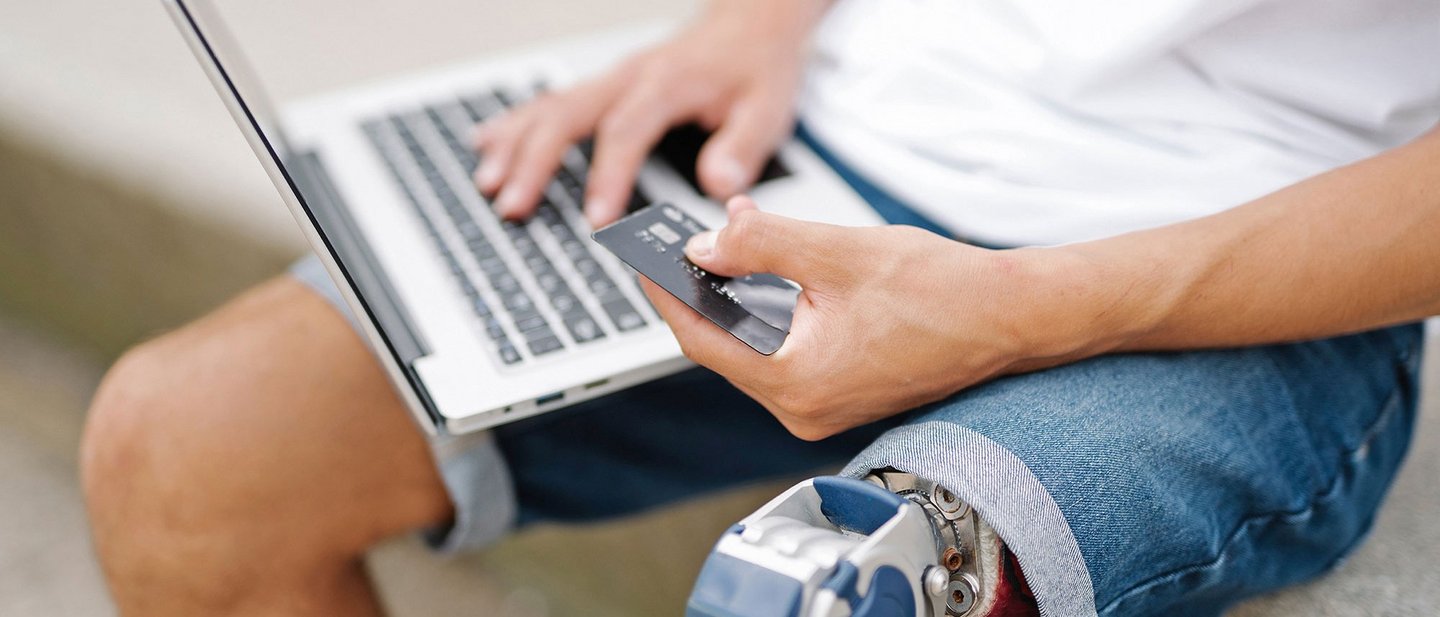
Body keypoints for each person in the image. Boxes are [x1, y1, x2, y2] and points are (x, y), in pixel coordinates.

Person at [81, 0, 1440, 615]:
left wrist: (1014, 309)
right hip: (821, 144)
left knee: (819, 597)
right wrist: (757, 19)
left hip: (1230, 257)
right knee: (190, 440)